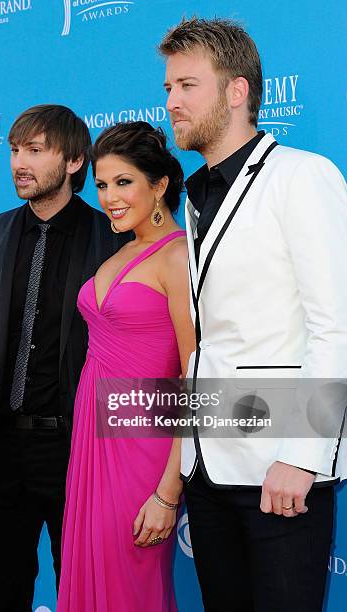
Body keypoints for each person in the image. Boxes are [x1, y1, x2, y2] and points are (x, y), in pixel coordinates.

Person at [160, 17, 347, 612]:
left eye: (188, 86)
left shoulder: (302, 177)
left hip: (281, 472)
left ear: (237, 91)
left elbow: (335, 326)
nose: (172, 102)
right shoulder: (193, 199)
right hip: (209, 469)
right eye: (168, 89)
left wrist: (303, 455)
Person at [0, 104, 130, 611]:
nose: (18, 163)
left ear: (75, 161)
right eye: (14, 150)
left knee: (83, 592)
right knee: (3, 591)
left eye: (35, 150)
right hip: (3, 447)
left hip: (78, 448)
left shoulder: (111, 239)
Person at [56, 121, 195, 611]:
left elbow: (193, 374)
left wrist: (168, 491)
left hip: (142, 448)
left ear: (159, 186)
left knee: (128, 585)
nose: (109, 197)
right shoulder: (123, 250)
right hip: (92, 439)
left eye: (123, 182)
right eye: (101, 185)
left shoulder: (177, 257)